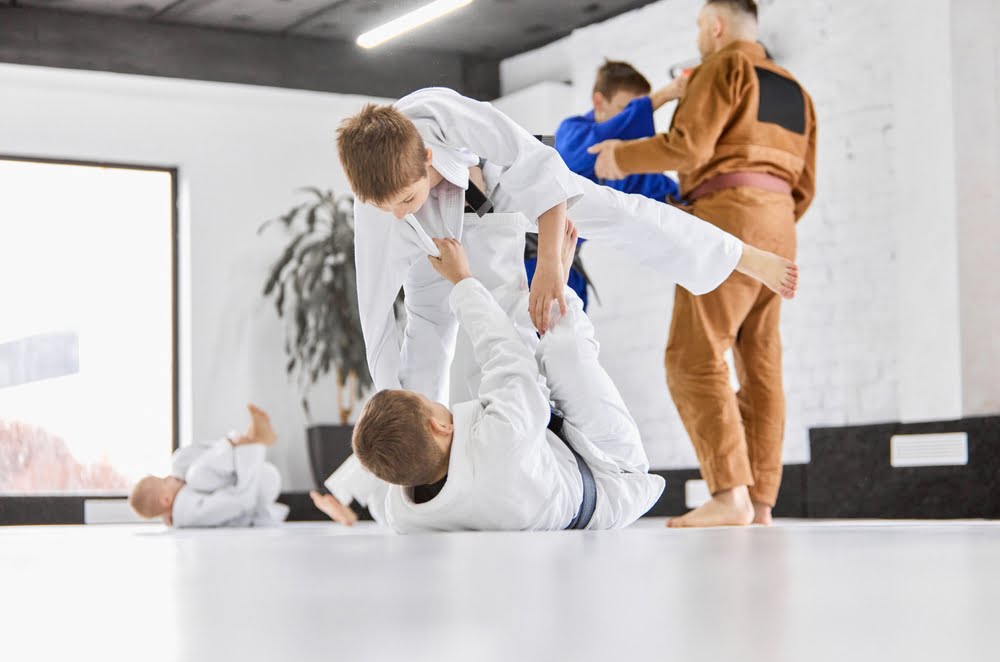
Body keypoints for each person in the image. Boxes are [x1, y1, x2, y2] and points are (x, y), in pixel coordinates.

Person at [312, 85, 798, 522]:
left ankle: (738, 254)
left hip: (505, 182)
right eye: (386, 208)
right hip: (436, 237)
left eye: (405, 199)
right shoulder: (382, 206)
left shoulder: (441, 113)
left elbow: (541, 171)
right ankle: (402, 476)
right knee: (423, 337)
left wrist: (548, 265)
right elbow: (374, 311)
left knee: (612, 212)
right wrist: (392, 403)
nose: (396, 213)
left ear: (428, 156)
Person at [589, 0, 817, 527]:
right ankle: (760, 502)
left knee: (692, 357)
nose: (698, 36)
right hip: (781, 226)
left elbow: (688, 147)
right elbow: (806, 185)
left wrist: (618, 156)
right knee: (761, 367)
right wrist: (770, 217)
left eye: (698, 26)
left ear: (716, 26)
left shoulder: (723, 67)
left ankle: (728, 494)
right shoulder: (796, 91)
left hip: (728, 219)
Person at [352, 231, 662, 532]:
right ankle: (560, 284)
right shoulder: (501, 443)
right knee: (563, 351)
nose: (435, 401)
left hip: (544, 462)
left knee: (494, 384)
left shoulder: (405, 514)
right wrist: (462, 280)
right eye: (429, 403)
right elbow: (507, 354)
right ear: (439, 427)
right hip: (613, 473)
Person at [128, 404, 288, 528]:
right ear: (166, 500)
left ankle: (245, 439)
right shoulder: (189, 513)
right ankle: (249, 442)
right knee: (196, 476)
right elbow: (236, 502)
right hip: (259, 488)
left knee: (183, 464)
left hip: (256, 477)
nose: (170, 477)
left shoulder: (182, 507)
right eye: (164, 481)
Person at [555, 59, 686, 202]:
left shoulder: (626, 153)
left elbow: (661, 189)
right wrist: (661, 96)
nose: (632, 117)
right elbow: (593, 142)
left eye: (637, 108)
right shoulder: (570, 132)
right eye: (626, 110)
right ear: (599, 101)